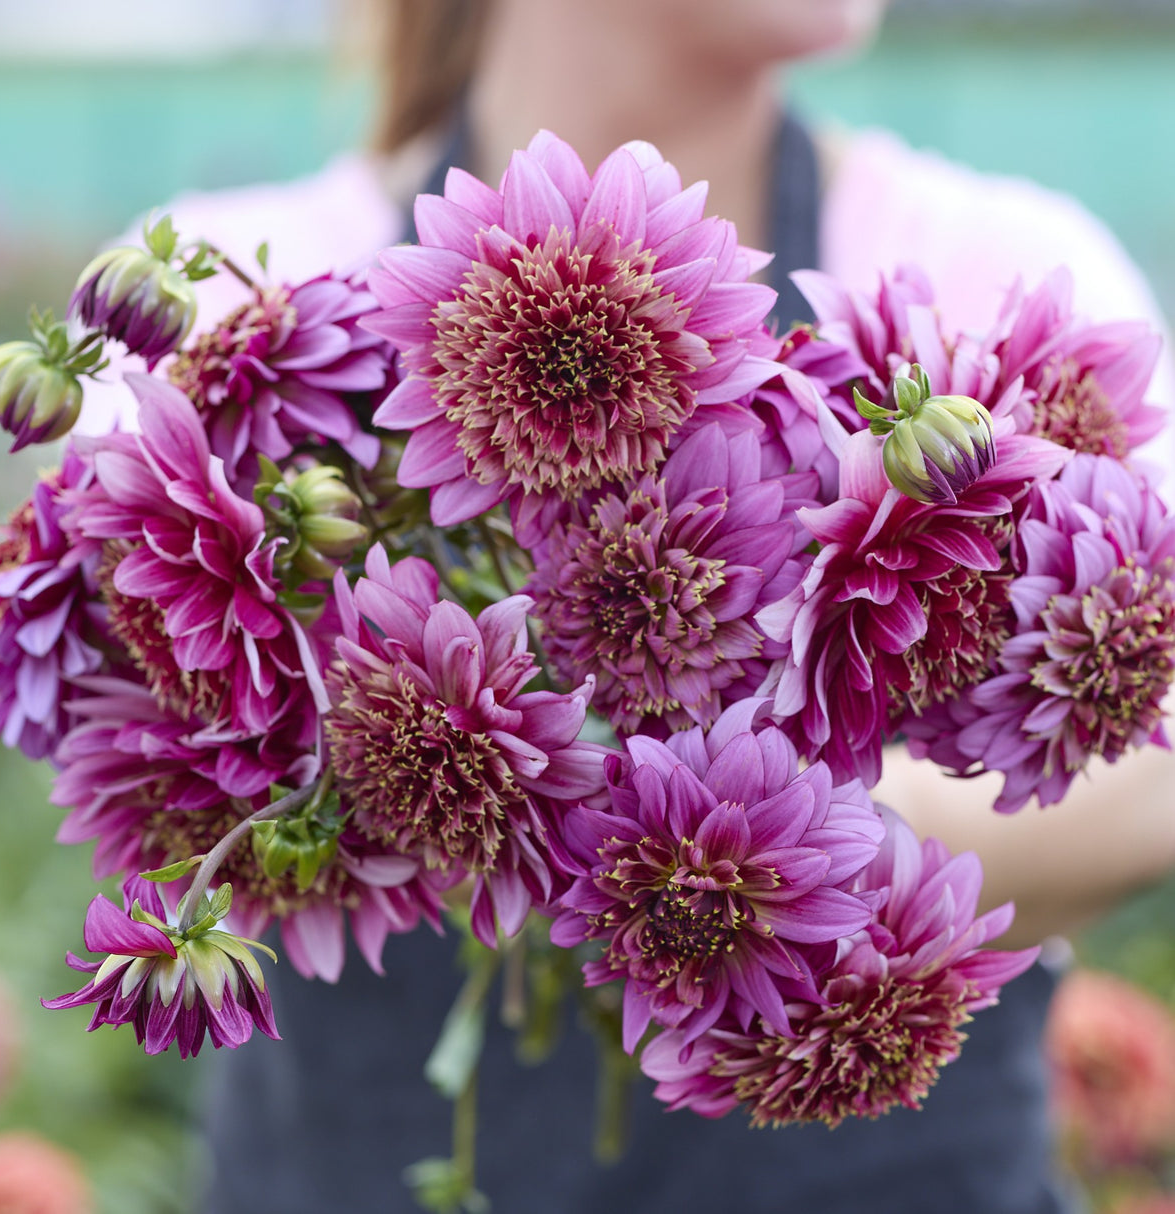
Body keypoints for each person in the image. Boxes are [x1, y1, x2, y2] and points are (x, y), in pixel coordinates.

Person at [89, 2, 1175, 1210]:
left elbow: (1156, 763)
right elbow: (109, 707)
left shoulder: (982, 262)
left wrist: (790, 853)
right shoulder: (248, 292)